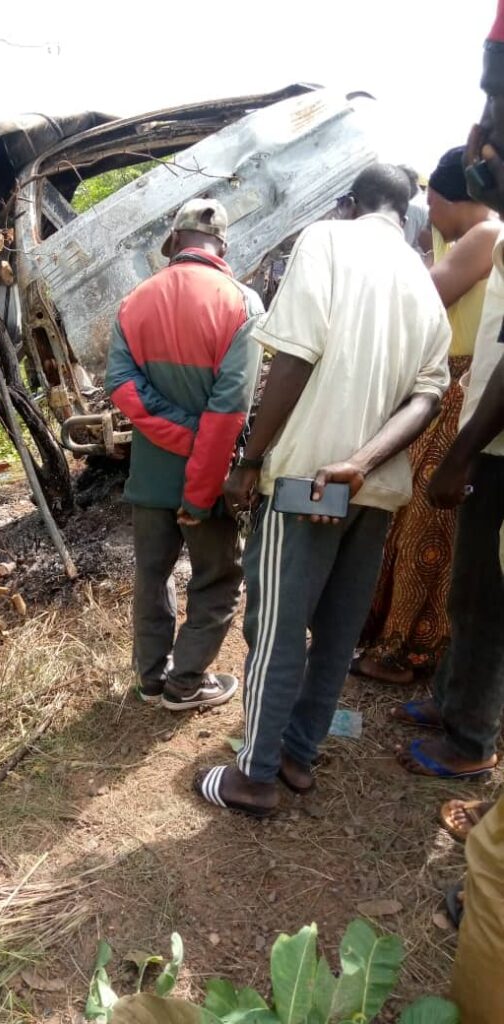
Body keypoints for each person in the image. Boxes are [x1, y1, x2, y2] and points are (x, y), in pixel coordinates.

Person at [193, 164, 450, 816]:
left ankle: (253, 777)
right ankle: (297, 758)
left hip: (308, 479)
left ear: (350, 201)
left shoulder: (326, 241)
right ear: (406, 210)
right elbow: (428, 397)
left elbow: (296, 357)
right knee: (336, 632)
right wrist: (363, 462)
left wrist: (250, 462)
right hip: (372, 485)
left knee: (277, 629)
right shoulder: (423, 280)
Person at [394, 28, 504, 782]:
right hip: (488, 439)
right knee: (469, 583)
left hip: (495, 443)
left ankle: (470, 738)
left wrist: (460, 454)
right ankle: (451, 697)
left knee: (487, 593)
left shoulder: (488, 233)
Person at [104, 198, 263, 712]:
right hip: (211, 482)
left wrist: (179, 435)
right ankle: (186, 683)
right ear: (222, 247)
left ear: (174, 244)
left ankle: (151, 679)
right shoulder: (243, 303)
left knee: (152, 578)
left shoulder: (134, 302)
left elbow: (122, 388)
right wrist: (199, 477)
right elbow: (230, 410)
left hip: (149, 479)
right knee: (216, 580)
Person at [353, 148, 499, 685]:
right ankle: (402, 643)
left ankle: (410, 650)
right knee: (414, 515)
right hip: (450, 384)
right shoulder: (461, 239)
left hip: (463, 387)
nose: (426, 210)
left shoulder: (485, 235)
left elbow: (425, 297)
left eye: (430, 199)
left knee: (427, 524)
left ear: (446, 196)